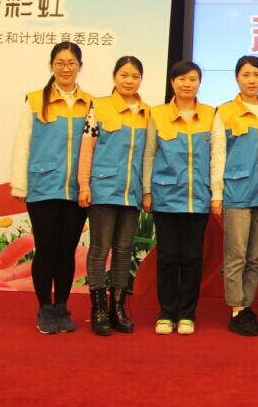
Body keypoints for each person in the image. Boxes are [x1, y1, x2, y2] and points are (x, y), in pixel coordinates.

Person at [10, 42, 92, 334]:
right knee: (46, 249)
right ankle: (45, 307)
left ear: (80, 66)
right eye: (60, 63)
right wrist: (20, 183)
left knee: (67, 250)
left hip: (75, 189)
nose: (65, 68)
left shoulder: (90, 104)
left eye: (71, 63)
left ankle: (61, 306)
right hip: (43, 186)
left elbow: (94, 146)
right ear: (51, 65)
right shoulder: (35, 100)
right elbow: (23, 142)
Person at [77, 55, 149, 336]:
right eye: (124, 75)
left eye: (135, 76)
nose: (129, 81)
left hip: (131, 193)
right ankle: (98, 309)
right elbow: (87, 149)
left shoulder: (147, 113)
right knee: (99, 249)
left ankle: (117, 308)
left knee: (123, 250)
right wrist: (84, 185)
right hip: (103, 190)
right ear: (114, 77)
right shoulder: (99, 107)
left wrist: (146, 190)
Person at [142, 61, 214, 336]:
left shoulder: (210, 114)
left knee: (193, 258)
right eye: (181, 79)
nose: (187, 84)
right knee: (168, 256)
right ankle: (166, 313)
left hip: (198, 197)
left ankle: (187, 314)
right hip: (165, 196)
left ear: (199, 83)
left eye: (192, 79)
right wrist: (147, 190)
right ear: (172, 82)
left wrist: (216, 192)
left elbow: (216, 156)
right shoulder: (158, 114)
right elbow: (150, 153)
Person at [211, 56, 258, 337]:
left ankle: (247, 306)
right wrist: (217, 194)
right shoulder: (225, 112)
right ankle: (236, 309)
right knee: (236, 255)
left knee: (254, 257)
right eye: (246, 75)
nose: (252, 80)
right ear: (237, 78)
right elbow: (218, 155)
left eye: (257, 74)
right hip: (236, 194)